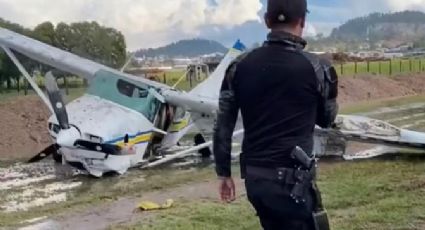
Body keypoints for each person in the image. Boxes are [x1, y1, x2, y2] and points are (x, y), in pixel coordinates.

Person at [213, 0, 339, 229]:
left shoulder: (238, 65)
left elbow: (223, 125)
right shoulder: (318, 67)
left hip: (256, 180)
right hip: (294, 182)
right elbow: (326, 119)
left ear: (267, 21)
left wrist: (223, 173)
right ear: (303, 21)